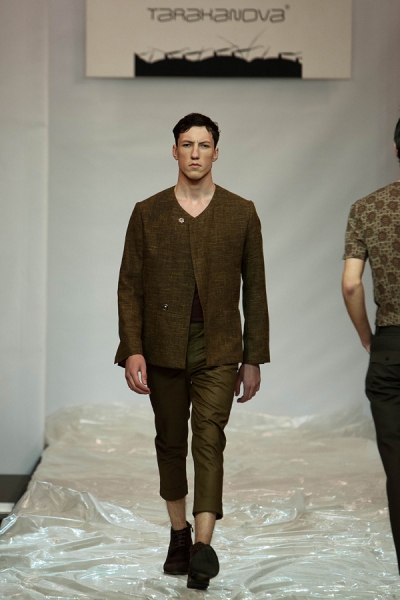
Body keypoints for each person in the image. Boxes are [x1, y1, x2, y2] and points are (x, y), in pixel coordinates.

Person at [115, 113, 270, 589]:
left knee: (209, 438)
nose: (196, 153)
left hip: (219, 346)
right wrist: (132, 348)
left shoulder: (241, 212)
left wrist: (253, 356)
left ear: (216, 153)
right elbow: (130, 286)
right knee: (169, 440)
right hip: (162, 344)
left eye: (204, 145)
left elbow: (255, 290)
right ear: (175, 151)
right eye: (187, 144)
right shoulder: (149, 212)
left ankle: (202, 547)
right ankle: (178, 534)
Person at [342, 117, 400, 573]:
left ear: (396, 149)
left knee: (398, 474)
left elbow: (351, 285)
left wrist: (369, 338)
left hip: (390, 349)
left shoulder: (368, 208)